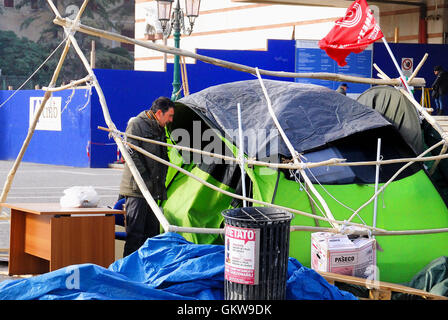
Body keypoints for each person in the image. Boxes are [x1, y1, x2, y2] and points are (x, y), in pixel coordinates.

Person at [119, 97, 175, 257]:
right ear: (159, 113)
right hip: (137, 190)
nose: (171, 120)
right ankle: (127, 273)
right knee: (135, 235)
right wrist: (146, 180)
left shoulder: (159, 127)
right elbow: (130, 154)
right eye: (169, 116)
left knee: (151, 235)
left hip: (152, 190)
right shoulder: (136, 124)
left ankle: (146, 271)